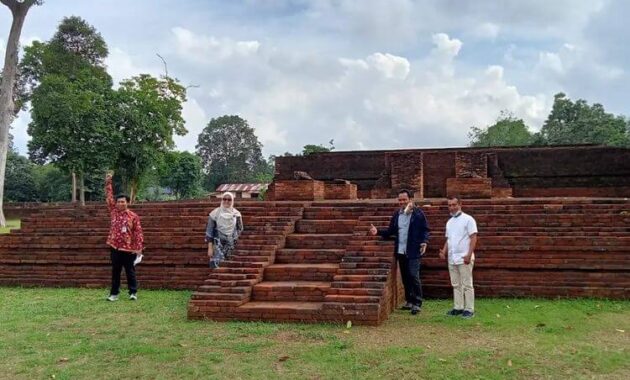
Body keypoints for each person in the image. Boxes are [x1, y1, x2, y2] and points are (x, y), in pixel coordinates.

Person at [369, 189, 430, 315]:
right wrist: (378, 232)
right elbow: (391, 231)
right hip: (401, 250)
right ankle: (409, 301)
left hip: (413, 250)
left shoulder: (417, 214)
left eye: (404, 199)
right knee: (406, 277)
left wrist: (424, 241)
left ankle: (417, 303)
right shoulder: (397, 215)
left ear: (410, 200)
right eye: (400, 200)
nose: (402, 202)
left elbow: (425, 230)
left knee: (414, 275)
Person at [105, 172, 144, 301]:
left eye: (123, 202)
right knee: (115, 271)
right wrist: (108, 182)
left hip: (129, 248)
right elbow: (109, 196)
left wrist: (138, 248)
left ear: (128, 202)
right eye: (119, 202)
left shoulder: (133, 216)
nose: (121, 204)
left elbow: (138, 232)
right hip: (115, 247)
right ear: (116, 203)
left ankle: (133, 292)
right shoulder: (114, 212)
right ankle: (114, 294)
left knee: (130, 271)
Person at [439, 195, 478, 319]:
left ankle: (469, 309)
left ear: (460, 204)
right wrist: (444, 251)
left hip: (464, 258)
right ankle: (458, 307)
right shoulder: (449, 222)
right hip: (452, 258)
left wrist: (469, 254)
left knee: (467, 284)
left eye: (454, 205)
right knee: (456, 284)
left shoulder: (468, 219)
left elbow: (473, 238)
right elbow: (449, 239)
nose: (452, 207)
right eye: (450, 205)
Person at [206, 192, 244, 269]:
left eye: (229, 199)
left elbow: (240, 229)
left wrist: (234, 239)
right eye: (224, 199)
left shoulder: (236, 214)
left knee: (229, 268)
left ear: (232, 201)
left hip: (231, 245)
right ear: (222, 200)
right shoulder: (214, 213)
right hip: (217, 245)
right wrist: (210, 248)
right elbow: (209, 232)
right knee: (216, 268)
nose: (226, 201)